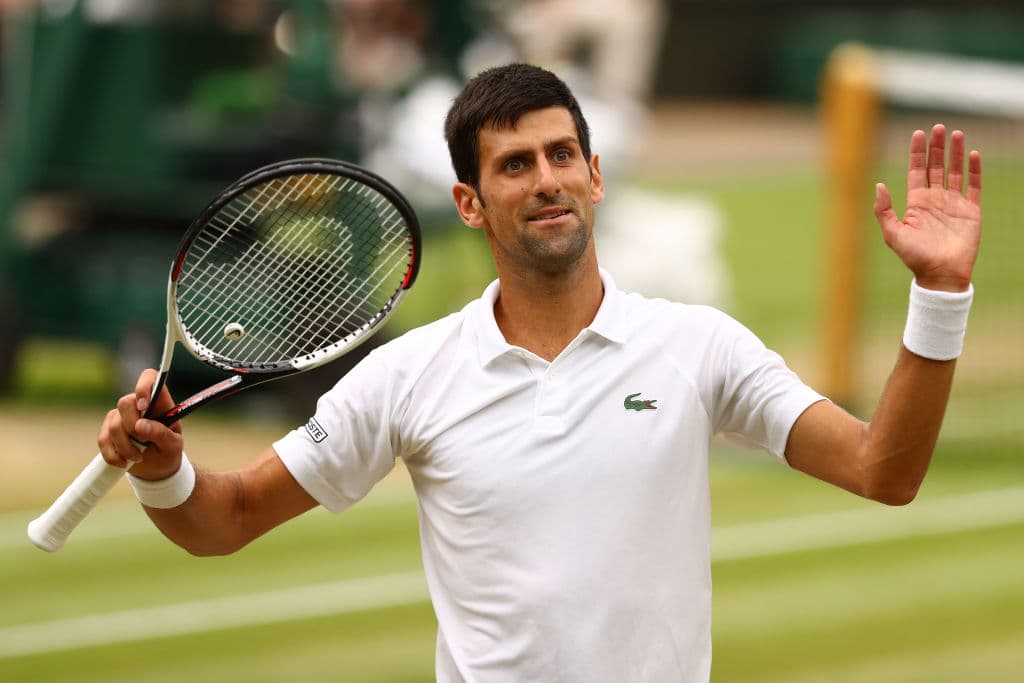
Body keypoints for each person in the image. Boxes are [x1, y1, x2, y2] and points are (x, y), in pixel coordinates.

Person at [98, 64, 982, 681]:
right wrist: (164, 470)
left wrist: (940, 295)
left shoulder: (699, 344)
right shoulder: (410, 373)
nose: (547, 179)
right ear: (471, 204)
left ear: (595, 177)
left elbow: (883, 469)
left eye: (562, 156)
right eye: (515, 165)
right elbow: (229, 517)